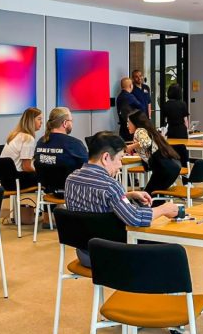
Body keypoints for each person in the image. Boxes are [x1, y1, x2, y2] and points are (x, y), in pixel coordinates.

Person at [64, 131, 180, 266]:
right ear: (106, 157)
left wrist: (126, 195)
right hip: (110, 254)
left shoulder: (71, 179)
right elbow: (135, 218)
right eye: (119, 159)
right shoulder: (110, 185)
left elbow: (94, 203)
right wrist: (164, 209)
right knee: (170, 247)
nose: (120, 165)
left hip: (84, 253)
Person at [125, 110, 181, 194]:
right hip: (171, 168)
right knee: (155, 195)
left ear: (135, 122)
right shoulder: (148, 130)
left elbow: (146, 142)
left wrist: (131, 147)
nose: (127, 125)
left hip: (162, 169)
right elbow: (148, 146)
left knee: (148, 195)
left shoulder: (139, 131)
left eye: (129, 122)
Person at [34, 107, 88, 172]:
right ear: (65, 123)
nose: (72, 123)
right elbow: (88, 168)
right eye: (71, 120)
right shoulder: (74, 144)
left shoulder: (41, 141)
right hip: (68, 182)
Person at [0, 106, 43, 189]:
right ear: (31, 120)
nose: (41, 122)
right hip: (15, 181)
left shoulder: (15, 134)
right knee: (48, 178)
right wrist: (39, 172)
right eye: (39, 119)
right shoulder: (28, 138)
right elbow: (26, 167)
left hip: (5, 180)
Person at [114, 77, 142, 141]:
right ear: (130, 85)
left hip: (122, 127)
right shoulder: (130, 96)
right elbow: (141, 106)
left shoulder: (119, 97)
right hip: (131, 128)